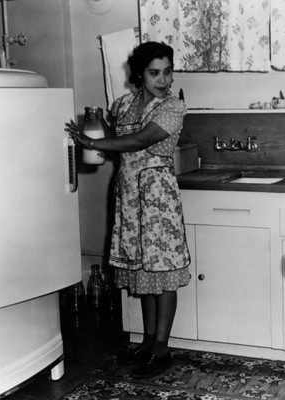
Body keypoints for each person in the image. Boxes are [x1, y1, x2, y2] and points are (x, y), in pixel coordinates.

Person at [65, 41, 191, 378]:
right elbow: (117, 138)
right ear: (139, 74)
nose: (162, 79)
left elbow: (137, 141)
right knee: (142, 273)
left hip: (157, 197)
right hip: (128, 196)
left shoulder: (173, 108)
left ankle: (162, 350)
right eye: (154, 73)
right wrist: (96, 124)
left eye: (167, 72)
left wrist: (93, 142)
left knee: (162, 275)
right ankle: (148, 344)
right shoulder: (124, 104)